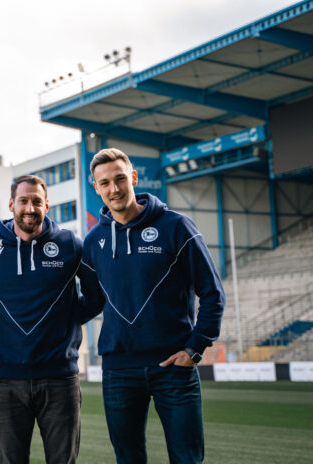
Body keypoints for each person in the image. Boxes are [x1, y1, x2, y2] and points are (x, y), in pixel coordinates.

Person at [82, 148, 225, 464]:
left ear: (133, 178)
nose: (114, 189)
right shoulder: (93, 242)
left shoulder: (177, 226)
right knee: (128, 459)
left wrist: (197, 346)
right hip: (118, 369)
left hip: (173, 366)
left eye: (120, 179)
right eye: (104, 183)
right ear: (96, 187)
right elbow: (91, 301)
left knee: (187, 458)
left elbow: (212, 292)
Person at [0, 174, 103, 464]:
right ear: (11, 204)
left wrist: (64, 319)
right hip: (6, 381)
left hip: (60, 379)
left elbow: (96, 295)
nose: (30, 208)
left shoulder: (69, 244)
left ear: (47, 205)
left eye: (36, 202)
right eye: (23, 201)